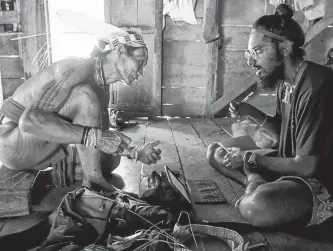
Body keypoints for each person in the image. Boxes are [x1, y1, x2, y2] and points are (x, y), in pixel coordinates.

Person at [0, 13, 161, 192]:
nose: (141, 73)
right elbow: (29, 121)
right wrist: (90, 138)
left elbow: (102, 137)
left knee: (110, 160)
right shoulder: (76, 68)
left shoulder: (102, 87)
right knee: (84, 96)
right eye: (139, 62)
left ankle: (65, 170)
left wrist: (135, 152)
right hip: (13, 142)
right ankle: (93, 181)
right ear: (120, 51)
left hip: (41, 142)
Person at [207, 4, 333, 227]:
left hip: (318, 182)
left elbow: (307, 166)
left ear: (284, 48)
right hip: (287, 162)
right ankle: (254, 181)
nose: (252, 61)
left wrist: (251, 160)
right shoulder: (286, 82)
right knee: (215, 151)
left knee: (256, 206)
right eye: (251, 52)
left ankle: (254, 185)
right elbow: (279, 135)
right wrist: (250, 112)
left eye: (258, 51)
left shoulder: (315, 86)